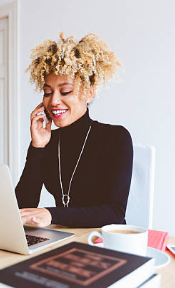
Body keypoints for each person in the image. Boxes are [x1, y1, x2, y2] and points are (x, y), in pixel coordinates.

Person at [15, 32, 133, 228]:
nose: (53, 101)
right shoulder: (47, 142)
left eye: (65, 91)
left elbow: (114, 213)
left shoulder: (115, 137)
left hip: (102, 242)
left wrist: (51, 215)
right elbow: (22, 207)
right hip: (62, 238)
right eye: (47, 92)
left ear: (89, 92)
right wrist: (37, 147)